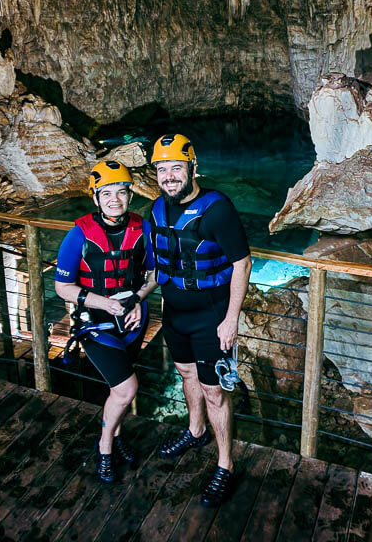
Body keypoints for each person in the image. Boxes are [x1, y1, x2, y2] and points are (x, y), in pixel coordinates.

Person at [150, 133, 251, 507]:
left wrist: (231, 319)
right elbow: (162, 263)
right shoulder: (157, 208)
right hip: (175, 314)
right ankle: (195, 431)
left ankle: (225, 464)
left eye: (177, 167)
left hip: (211, 317)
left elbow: (242, 264)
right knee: (187, 375)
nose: (169, 176)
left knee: (214, 390)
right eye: (162, 169)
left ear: (193, 168)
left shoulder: (218, 210)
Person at [55, 160, 157, 484]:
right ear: (95, 197)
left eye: (122, 192)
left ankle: (115, 435)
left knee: (118, 391)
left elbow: (154, 274)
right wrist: (106, 304)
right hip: (96, 323)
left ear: (130, 195)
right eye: (107, 193)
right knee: (127, 388)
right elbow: (63, 287)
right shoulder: (78, 235)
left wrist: (137, 300)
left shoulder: (143, 229)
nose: (115, 199)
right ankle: (104, 449)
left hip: (132, 320)